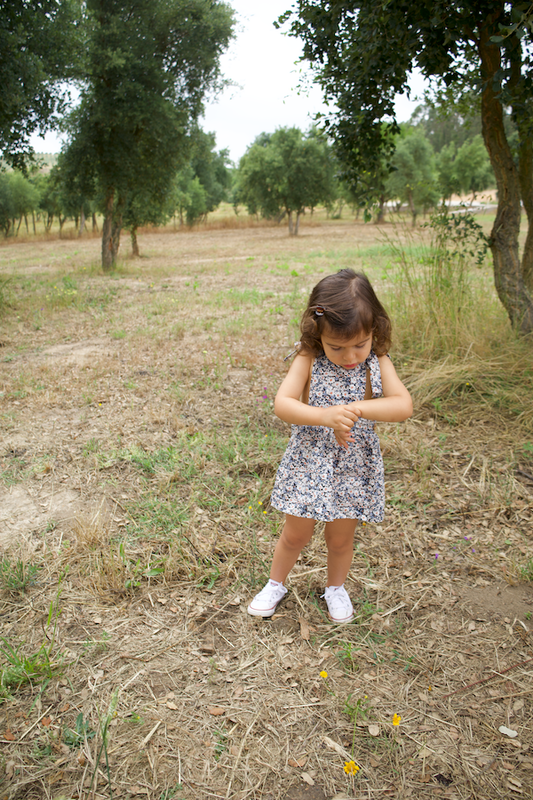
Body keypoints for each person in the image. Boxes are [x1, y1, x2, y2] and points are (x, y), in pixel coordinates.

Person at [248, 269, 413, 624]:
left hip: (354, 465)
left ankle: (335, 588)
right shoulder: (308, 358)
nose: (349, 355)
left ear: (375, 331)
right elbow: (283, 403)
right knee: (296, 533)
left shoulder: (376, 363)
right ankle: (275, 583)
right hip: (310, 460)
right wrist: (326, 416)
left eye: (360, 344)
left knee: (340, 538)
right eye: (336, 346)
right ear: (317, 332)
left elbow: (403, 405)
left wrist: (356, 409)